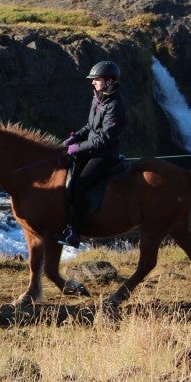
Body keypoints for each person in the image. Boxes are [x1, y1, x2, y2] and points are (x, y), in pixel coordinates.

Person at [59, 60, 127, 248]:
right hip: (90, 149)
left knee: (79, 185)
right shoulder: (97, 98)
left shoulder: (115, 105)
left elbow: (104, 139)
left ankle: (76, 232)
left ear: (109, 81)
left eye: (96, 79)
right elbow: (90, 126)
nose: (93, 82)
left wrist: (77, 148)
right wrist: (72, 139)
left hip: (105, 155)